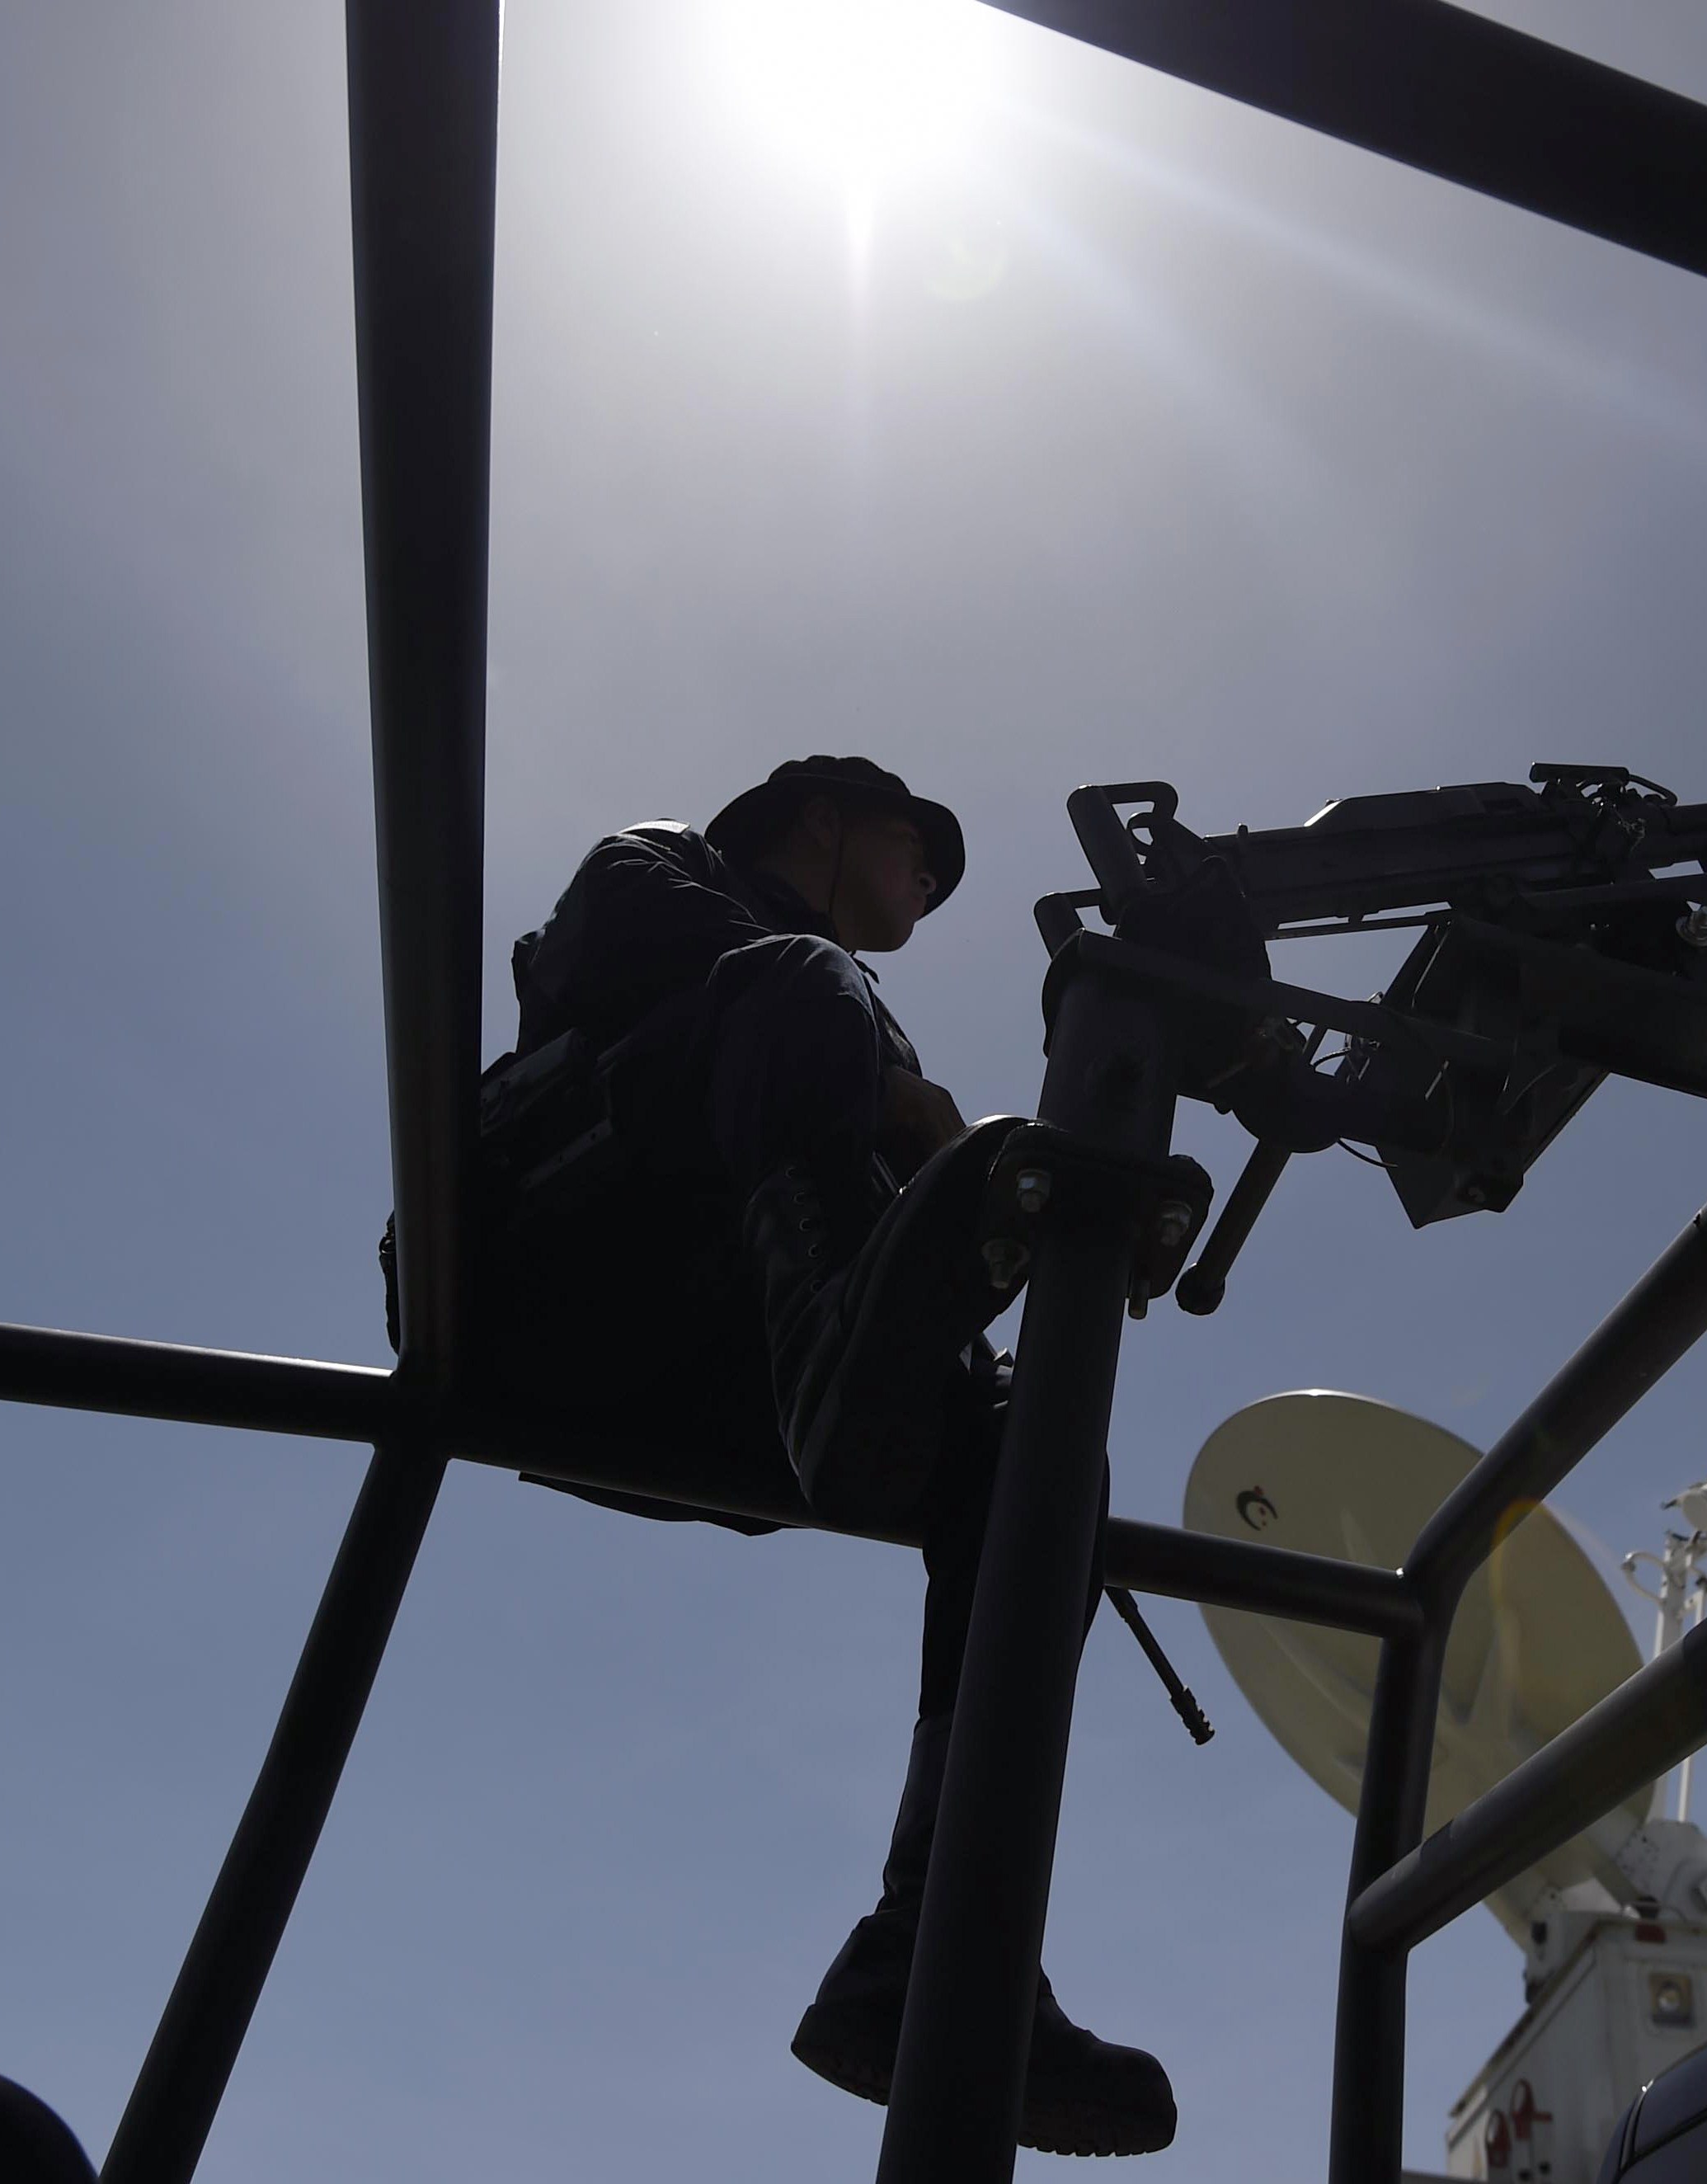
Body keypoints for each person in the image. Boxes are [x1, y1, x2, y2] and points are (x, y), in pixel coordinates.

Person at [480, 757, 1177, 2158]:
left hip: (725, 1375)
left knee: (1032, 1466)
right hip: (551, 1285)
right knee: (805, 987)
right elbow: (640, 973)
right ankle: (836, 1363)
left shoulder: (836, 1021)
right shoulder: (657, 872)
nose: (930, 885)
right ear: (822, 816)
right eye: (920, 852)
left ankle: (935, 1948)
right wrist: (913, 1112)